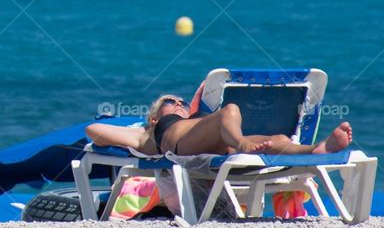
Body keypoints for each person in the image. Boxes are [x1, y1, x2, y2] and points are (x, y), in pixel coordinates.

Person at [86, 93, 353, 157]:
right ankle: (241, 144)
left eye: (181, 101)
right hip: (183, 147)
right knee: (231, 110)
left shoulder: (196, 118)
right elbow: (94, 131)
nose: (178, 103)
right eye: (170, 102)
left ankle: (316, 150)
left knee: (277, 137)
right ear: (155, 117)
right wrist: (140, 131)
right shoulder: (147, 132)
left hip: (218, 144)